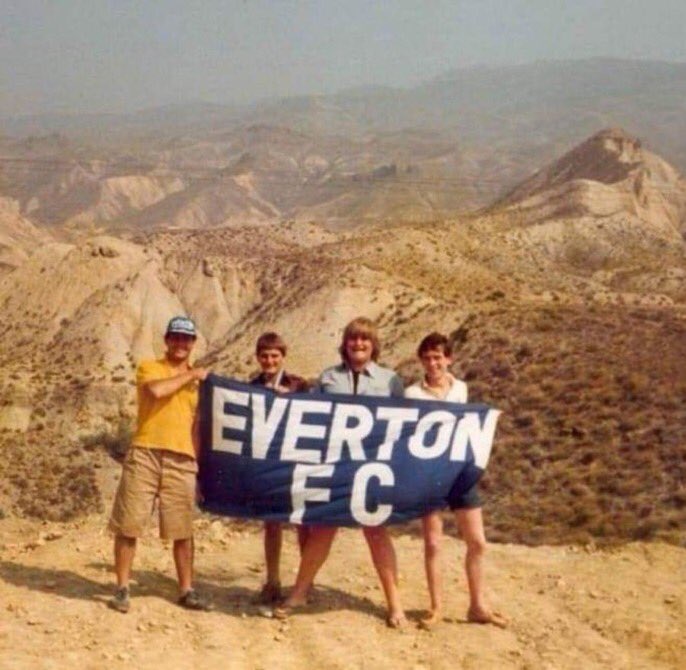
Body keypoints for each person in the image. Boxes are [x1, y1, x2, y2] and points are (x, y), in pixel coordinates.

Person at [275, 317, 406, 627]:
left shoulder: (390, 381)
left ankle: (395, 605)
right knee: (323, 528)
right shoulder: (329, 377)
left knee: (376, 533)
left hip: (373, 469)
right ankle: (299, 592)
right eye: (353, 339)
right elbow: (311, 413)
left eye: (365, 339)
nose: (358, 344)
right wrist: (283, 399)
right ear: (345, 344)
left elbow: (404, 424)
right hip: (336, 466)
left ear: (373, 344)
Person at [107, 316, 211, 613]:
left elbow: (197, 425)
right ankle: (123, 587)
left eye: (186, 339)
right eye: (176, 337)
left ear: (193, 344)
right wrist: (191, 376)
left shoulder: (198, 383)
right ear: (167, 340)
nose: (181, 343)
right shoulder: (150, 367)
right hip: (146, 453)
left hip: (182, 458)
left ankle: (186, 589)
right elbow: (156, 391)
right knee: (129, 524)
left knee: (182, 529)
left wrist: (198, 464)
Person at [404, 332, 506, 628]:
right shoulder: (412, 394)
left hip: (460, 472)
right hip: (429, 473)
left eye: (438, 357)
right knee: (433, 543)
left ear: (449, 358)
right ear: (421, 361)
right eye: (427, 358)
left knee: (477, 542)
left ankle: (477, 605)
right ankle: (435, 608)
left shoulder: (461, 388)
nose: (433, 363)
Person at [249, 331, 311, 604]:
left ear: (283, 357)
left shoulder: (299, 384)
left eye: (274, 356)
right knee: (271, 523)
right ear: (258, 358)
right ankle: (272, 581)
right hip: (268, 462)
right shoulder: (250, 386)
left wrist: (289, 399)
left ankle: (305, 583)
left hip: (295, 460)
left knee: (301, 522)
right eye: (264, 356)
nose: (269, 361)